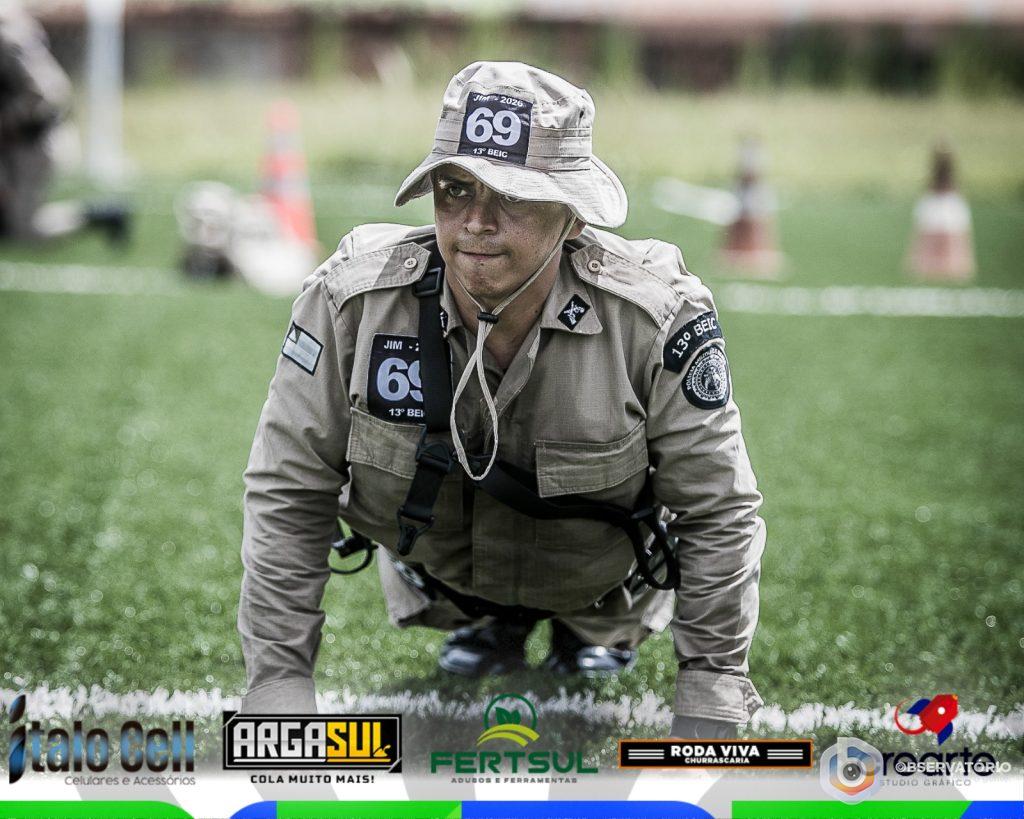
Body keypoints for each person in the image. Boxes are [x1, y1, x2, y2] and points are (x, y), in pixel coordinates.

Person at [239, 62, 766, 739]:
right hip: (442, 582)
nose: (476, 223)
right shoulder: (352, 304)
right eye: (455, 190)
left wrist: (711, 694)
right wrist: (278, 684)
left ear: (572, 217)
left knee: (605, 623)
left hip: (605, 584)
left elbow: (718, 509)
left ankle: (590, 630)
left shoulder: (654, 318)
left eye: (512, 197)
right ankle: (485, 624)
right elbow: (290, 489)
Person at [0, 1, 128, 243]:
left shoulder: (7, 39)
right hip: (14, 144)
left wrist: (8, 123)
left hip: (32, 143)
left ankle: (102, 215)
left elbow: (46, 95)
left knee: (23, 229)